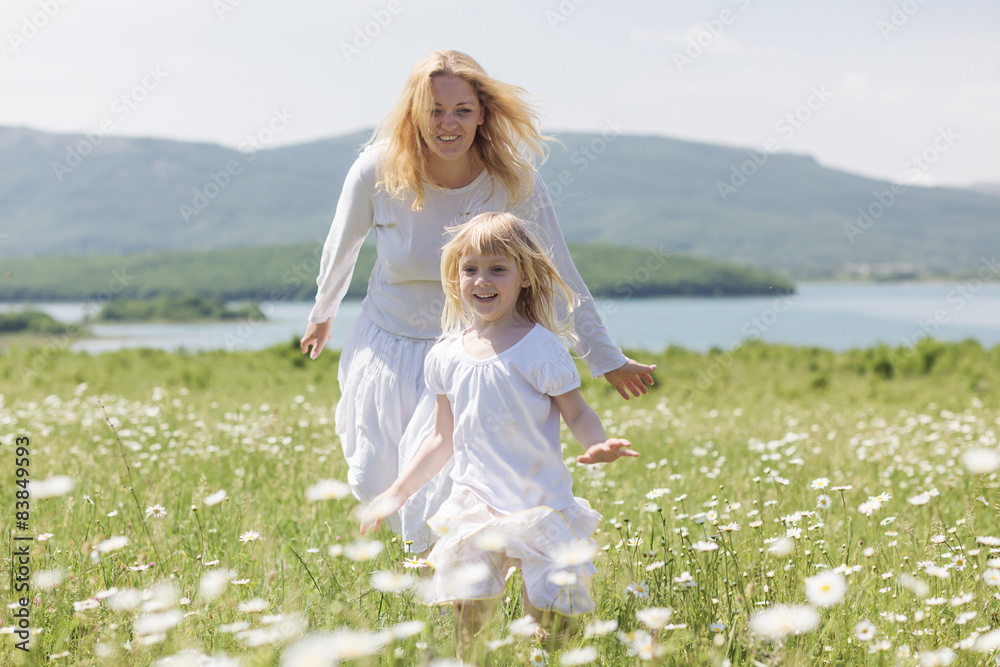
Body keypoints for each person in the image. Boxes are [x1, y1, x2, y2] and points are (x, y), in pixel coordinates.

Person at [300, 50, 655, 551]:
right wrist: (322, 316)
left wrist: (604, 357)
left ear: (482, 112)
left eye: (462, 110)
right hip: (387, 344)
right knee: (374, 478)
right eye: (435, 110)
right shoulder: (377, 170)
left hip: (467, 351)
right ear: (414, 113)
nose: (449, 123)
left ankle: (458, 585)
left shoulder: (513, 181)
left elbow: (559, 272)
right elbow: (342, 248)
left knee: (448, 482)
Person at [361, 213, 638, 660]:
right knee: (469, 622)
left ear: (525, 277)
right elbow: (440, 439)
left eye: (498, 268)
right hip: (474, 506)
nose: (482, 280)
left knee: (548, 623)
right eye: (470, 268)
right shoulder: (445, 356)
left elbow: (578, 412)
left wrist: (596, 445)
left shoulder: (542, 348)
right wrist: (395, 492)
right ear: (455, 279)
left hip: (540, 505)